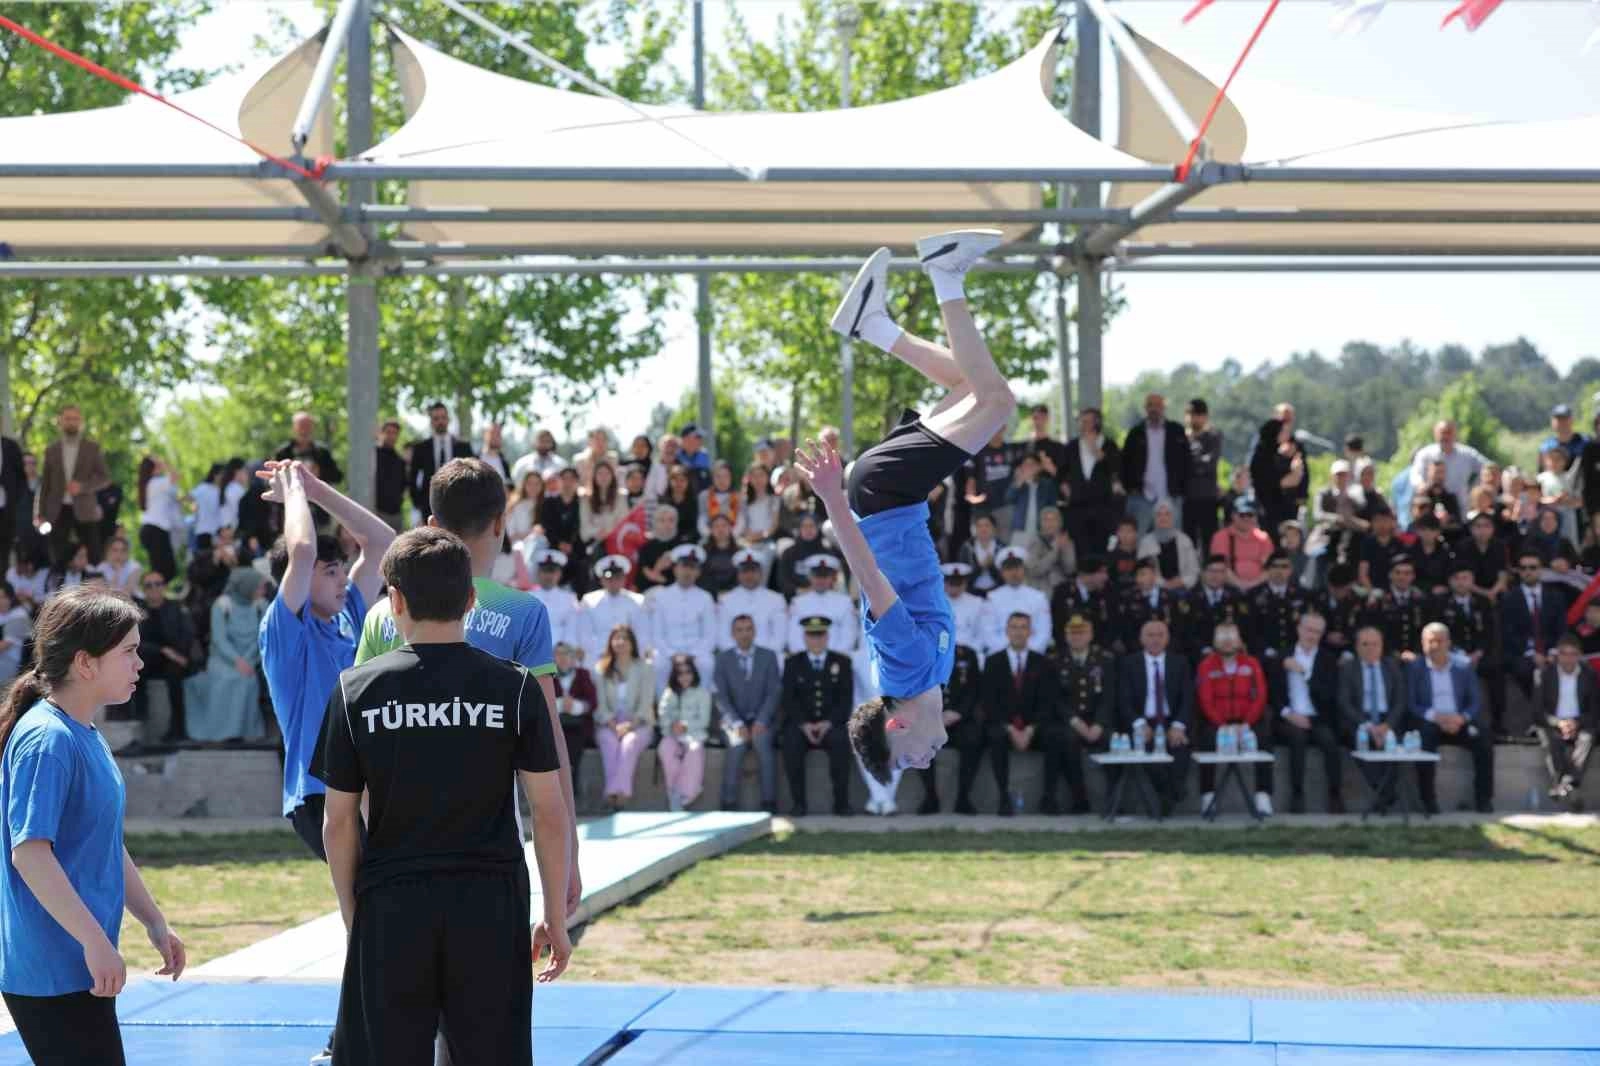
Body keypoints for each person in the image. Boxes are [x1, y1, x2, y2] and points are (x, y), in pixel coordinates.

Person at [311, 528, 570, 1066]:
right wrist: (555, 916)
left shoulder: (354, 690)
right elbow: (549, 811)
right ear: (471, 599)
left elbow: (337, 823)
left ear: (395, 601)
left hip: (394, 900)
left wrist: (355, 918)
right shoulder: (515, 687)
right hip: (489, 903)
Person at [0, 587, 187, 1066]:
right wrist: (94, 941)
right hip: (53, 971)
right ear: (85, 663)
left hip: (79, 966)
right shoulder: (48, 740)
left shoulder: (82, 732)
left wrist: (153, 920)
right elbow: (30, 854)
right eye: (128, 652)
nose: (140, 664)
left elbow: (103, 841)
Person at [258, 459, 394, 871]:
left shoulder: (348, 613)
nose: (343, 580)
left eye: (341, 570)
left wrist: (317, 490)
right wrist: (293, 491)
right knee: (377, 896)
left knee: (387, 898)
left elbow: (382, 542)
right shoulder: (286, 630)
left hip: (364, 784)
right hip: (319, 793)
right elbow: (302, 551)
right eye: (331, 572)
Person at [1406, 622, 1495, 814]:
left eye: (1439, 641)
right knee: (1424, 742)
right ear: (1422, 644)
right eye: (1430, 641)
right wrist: (1436, 717)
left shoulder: (1463, 666)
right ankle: (1428, 801)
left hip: (1458, 721)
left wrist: (1461, 718)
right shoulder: (1415, 668)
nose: (1435, 646)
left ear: (1448, 643)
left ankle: (1484, 799)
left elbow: (1475, 701)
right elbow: (1412, 703)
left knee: (1484, 740)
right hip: (1431, 721)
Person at [979, 612, 1060, 815]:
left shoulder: (1043, 662)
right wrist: (1010, 729)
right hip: (1004, 726)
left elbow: (1047, 701)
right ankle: (1003, 798)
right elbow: (989, 702)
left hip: (1034, 726)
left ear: (1030, 632)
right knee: (995, 736)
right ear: (1007, 631)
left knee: (1055, 736)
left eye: (1023, 627)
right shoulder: (993, 662)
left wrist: (1031, 729)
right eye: (1014, 627)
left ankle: (1049, 798)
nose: (1018, 632)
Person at [1267, 612, 1345, 814]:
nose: (1312, 635)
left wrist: (1305, 673)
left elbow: (1328, 695)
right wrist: (1288, 714)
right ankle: (1297, 795)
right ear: (1299, 629)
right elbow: (1272, 693)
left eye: (1317, 632)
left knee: (1329, 742)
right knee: (1297, 739)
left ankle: (1335, 794)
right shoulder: (1282, 656)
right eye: (1309, 630)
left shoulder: (1328, 659)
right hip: (1288, 716)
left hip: (1317, 717)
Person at [1113, 619, 1193, 816]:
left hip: (1170, 721)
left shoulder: (1180, 663)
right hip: (1143, 721)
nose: (1155, 640)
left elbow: (1188, 698)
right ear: (1141, 639)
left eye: (1160, 635)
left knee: (1180, 750)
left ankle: (1169, 795)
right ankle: (1172, 793)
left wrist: (1178, 726)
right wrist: (1139, 724)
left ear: (1167, 639)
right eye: (1150, 635)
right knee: (1149, 754)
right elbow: (1123, 700)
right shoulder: (1129, 663)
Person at [1194, 623, 1274, 818]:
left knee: (1264, 738)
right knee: (1207, 739)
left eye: (1231, 638)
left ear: (1239, 641)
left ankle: (1263, 796)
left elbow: (1260, 696)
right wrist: (1222, 726)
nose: (1228, 642)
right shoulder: (1206, 666)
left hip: (1248, 720)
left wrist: (1246, 724)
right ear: (1215, 642)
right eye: (1223, 638)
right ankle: (1208, 796)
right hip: (1218, 721)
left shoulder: (1252, 664)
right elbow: (1205, 700)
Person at [780, 616, 854, 817]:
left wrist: (828, 723)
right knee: (791, 742)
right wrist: (804, 724)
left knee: (841, 742)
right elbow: (788, 699)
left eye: (820, 634)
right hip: (801, 725)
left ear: (827, 636)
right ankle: (798, 804)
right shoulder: (792, 663)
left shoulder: (842, 662)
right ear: (805, 637)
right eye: (812, 635)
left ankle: (841, 803)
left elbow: (845, 699)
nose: (816, 639)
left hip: (831, 724)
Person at [184, 567, 267, 743]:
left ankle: (245, 730)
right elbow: (219, 639)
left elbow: (262, 637)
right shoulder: (222, 605)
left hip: (252, 658)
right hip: (223, 658)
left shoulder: (261, 605)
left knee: (247, 680)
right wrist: (237, 661)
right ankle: (223, 732)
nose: (262, 591)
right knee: (227, 679)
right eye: (259, 587)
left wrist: (248, 661)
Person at [713, 615, 782, 812]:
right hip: (733, 721)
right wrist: (737, 723)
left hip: (762, 720)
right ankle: (728, 804)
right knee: (737, 745)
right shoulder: (722, 659)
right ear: (732, 634)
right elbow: (720, 696)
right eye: (740, 630)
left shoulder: (768, 656)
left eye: (748, 629)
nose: (744, 634)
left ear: (754, 631)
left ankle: (769, 803)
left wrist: (761, 720)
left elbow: (774, 692)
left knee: (763, 743)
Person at [1336, 627, 1409, 809]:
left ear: (1382, 646)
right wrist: (1368, 726)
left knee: (1396, 745)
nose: (1370, 648)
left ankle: (1384, 796)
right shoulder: (1348, 669)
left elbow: (1400, 700)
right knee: (1360, 742)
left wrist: (1387, 726)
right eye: (1365, 644)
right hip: (1360, 720)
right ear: (1357, 647)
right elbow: (1344, 702)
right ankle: (1386, 794)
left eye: (1375, 644)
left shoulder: (1392, 667)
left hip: (1387, 719)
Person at [35, 405, 113, 566]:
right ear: (60, 421)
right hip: (57, 510)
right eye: (68, 418)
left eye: (75, 418)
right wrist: (39, 513)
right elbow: (45, 484)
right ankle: (61, 582)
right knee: (57, 557)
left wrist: (82, 487)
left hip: (85, 510)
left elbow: (105, 478)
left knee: (94, 557)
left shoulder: (92, 448)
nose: (71, 422)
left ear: (81, 422)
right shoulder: (51, 450)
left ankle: (93, 583)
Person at [1054, 614, 1113, 815]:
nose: (1077, 636)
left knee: (1113, 741)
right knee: (1067, 741)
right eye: (1072, 632)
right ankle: (1079, 799)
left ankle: (1114, 799)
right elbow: (1055, 698)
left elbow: (1109, 697)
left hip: (1097, 720)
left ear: (1091, 634)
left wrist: (1099, 723)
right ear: (1066, 635)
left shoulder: (1104, 660)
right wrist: (1074, 721)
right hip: (1071, 721)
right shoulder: (1056, 661)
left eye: (1082, 632)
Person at [593, 623, 654, 810]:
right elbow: (600, 706)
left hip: (639, 723)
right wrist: (614, 725)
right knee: (609, 742)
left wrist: (629, 726)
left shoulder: (645, 668)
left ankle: (617, 795)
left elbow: (646, 704)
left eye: (625, 638)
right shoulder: (601, 669)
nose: (621, 642)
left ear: (632, 643)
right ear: (610, 642)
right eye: (616, 638)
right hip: (609, 723)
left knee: (629, 742)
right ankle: (617, 794)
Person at [1535, 635, 1597, 810]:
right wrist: (1559, 723)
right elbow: (1538, 711)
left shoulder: (1589, 675)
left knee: (1587, 738)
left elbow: (1594, 711)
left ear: (1579, 655)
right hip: (1553, 724)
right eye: (1564, 654)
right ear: (1558, 655)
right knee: (1552, 739)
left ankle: (1563, 784)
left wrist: (1575, 723)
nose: (1568, 658)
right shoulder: (1544, 674)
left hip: (1580, 724)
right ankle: (1570, 786)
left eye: (1573, 654)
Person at [133, 572, 194, 744]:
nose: (154, 588)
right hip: (149, 657)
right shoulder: (137, 610)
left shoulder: (176, 608)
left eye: (158, 584)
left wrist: (179, 654)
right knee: (134, 673)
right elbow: (135, 641)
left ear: (164, 586)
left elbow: (188, 634)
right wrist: (162, 650)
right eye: (149, 585)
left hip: (175, 658)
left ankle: (177, 729)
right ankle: (141, 722)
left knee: (174, 676)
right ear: (143, 589)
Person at [650, 543, 717, 693]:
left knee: (706, 664)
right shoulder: (661, 597)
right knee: (659, 665)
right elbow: (657, 634)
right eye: (684, 567)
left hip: (697, 652)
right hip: (668, 651)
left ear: (698, 572)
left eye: (692, 568)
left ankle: (702, 705)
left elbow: (710, 635)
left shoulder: (705, 598)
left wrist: (693, 655)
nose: (687, 572)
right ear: (675, 569)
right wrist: (672, 655)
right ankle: (663, 705)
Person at [1120, 393, 1190, 536]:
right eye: (1150, 405)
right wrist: (1130, 488)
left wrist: (1182, 489)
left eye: (1158, 405)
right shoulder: (1135, 433)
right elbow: (1124, 463)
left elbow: (1187, 463)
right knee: (1138, 539)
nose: (1154, 409)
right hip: (1141, 497)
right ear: (1145, 408)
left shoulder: (1176, 431)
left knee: (1172, 539)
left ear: (1164, 408)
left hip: (1171, 496)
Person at [1062, 407, 1122, 556]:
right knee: (1080, 549)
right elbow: (1061, 473)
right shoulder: (1072, 446)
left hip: (1102, 506)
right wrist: (1066, 490)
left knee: (1101, 547)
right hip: (1078, 506)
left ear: (1097, 423)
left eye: (1087, 421)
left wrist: (1096, 451)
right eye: (1081, 421)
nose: (1083, 425)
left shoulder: (1109, 445)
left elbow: (1116, 469)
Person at [657, 654, 712, 811]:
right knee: (665, 749)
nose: (685, 677)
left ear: (694, 673)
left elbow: (704, 721)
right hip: (672, 735)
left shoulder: (702, 693)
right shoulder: (669, 693)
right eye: (680, 673)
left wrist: (686, 726)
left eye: (688, 672)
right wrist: (671, 725)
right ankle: (677, 791)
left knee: (694, 750)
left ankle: (683, 793)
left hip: (694, 734)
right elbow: (663, 716)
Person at [408, 403, 473, 523]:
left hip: (459, 505)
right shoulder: (421, 448)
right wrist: (418, 503)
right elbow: (412, 477)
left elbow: (471, 476)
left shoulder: (463, 447)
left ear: (448, 419)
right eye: (436, 418)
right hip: (428, 507)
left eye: (443, 417)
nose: (440, 421)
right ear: (431, 422)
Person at [1249, 405, 1307, 541]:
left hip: (1284, 506)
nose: (1286, 434)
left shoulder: (1283, 449)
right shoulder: (1263, 455)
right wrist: (1295, 470)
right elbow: (1283, 481)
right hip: (1268, 509)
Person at [580, 555, 648, 667]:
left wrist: (632, 656)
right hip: (597, 655)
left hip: (628, 655)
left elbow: (641, 634)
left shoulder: (637, 601)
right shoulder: (589, 601)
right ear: (601, 580)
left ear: (624, 579)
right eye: (609, 579)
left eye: (618, 578)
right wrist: (603, 654)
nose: (614, 582)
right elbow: (585, 634)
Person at [981, 547, 1050, 657]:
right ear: (1002, 573)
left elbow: (1044, 633)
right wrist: (1009, 654)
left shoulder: (1039, 597)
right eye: (1009, 569)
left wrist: (1026, 654)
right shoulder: (992, 598)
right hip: (1000, 656)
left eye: (1017, 568)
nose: (1014, 573)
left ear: (1024, 569)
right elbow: (988, 633)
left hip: (1032, 656)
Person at [717, 549, 787, 654]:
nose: (749, 575)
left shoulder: (776, 599)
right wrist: (740, 656)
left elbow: (779, 637)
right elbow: (723, 637)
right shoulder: (726, 600)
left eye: (753, 571)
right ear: (738, 574)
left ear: (761, 573)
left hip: (769, 655)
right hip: (735, 656)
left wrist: (764, 657)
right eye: (745, 571)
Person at [550, 642, 596, 786]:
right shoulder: (548, 676)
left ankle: (571, 781)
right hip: (555, 724)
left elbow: (592, 702)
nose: (562, 658)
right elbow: (541, 701)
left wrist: (576, 706)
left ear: (573, 657)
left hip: (579, 726)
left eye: (566, 653)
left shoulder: (583, 674)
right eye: (558, 654)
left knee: (574, 741)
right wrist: (560, 704)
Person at [1182, 399, 1223, 553]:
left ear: (1205, 417)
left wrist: (1192, 464)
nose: (1195, 418)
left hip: (1208, 498)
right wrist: (1198, 464)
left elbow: (1210, 463)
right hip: (1187, 498)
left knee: (1210, 543)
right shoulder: (1181, 438)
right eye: (1191, 414)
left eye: (1198, 415)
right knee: (1188, 543)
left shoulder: (1213, 436)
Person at [1211, 498, 1273, 591]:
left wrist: (1252, 585)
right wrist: (1241, 585)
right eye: (1242, 514)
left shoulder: (1264, 538)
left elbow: (1269, 568)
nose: (1246, 518)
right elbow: (1220, 567)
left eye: (1250, 514)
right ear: (1233, 515)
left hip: (1259, 588)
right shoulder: (1220, 537)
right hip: (1229, 588)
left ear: (1256, 517)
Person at [1138, 497, 1199, 591]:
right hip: (1154, 590)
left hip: (1183, 589)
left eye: (1167, 514)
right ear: (1154, 518)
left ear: (1173, 517)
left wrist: (1181, 581)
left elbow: (1194, 571)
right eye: (1159, 514)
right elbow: (1143, 572)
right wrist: (1164, 584)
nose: (1163, 518)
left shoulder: (1185, 540)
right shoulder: (1146, 542)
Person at [528, 549, 582, 654]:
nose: (548, 576)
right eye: (545, 571)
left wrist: (564, 651)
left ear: (559, 574)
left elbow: (571, 630)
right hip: (532, 652)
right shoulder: (527, 597)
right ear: (538, 573)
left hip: (561, 653)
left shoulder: (570, 599)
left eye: (552, 571)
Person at [275, 411, 344, 486]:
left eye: (307, 425)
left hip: (317, 492)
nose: (304, 430)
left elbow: (337, 477)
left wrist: (320, 471)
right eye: (301, 426)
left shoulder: (322, 452)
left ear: (312, 427)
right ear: (294, 428)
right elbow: (275, 477)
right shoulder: (284, 452)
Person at [1024, 506, 1075, 596]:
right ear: (1041, 523)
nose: (1050, 524)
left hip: (1061, 590)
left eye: (1054, 520)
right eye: (1046, 520)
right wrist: (1055, 550)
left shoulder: (1065, 541)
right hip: (1040, 590)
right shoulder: (1034, 542)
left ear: (1060, 523)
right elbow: (1035, 570)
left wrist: (1065, 550)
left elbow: (1070, 570)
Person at [373, 420, 410, 533]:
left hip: (396, 514)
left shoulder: (400, 461)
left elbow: (403, 485)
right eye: (388, 432)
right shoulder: (373, 455)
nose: (391, 436)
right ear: (382, 433)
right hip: (376, 512)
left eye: (395, 433)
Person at [0, 430, 23, 572]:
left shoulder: (11, 446)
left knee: (4, 553)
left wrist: (14, 501)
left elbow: (21, 479)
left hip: (7, 511)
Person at [0, 582, 30, 692]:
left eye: (3, 597)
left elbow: (4, 646)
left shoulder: (19, 615)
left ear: (11, 598)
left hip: (11, 663)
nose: (0, 601)